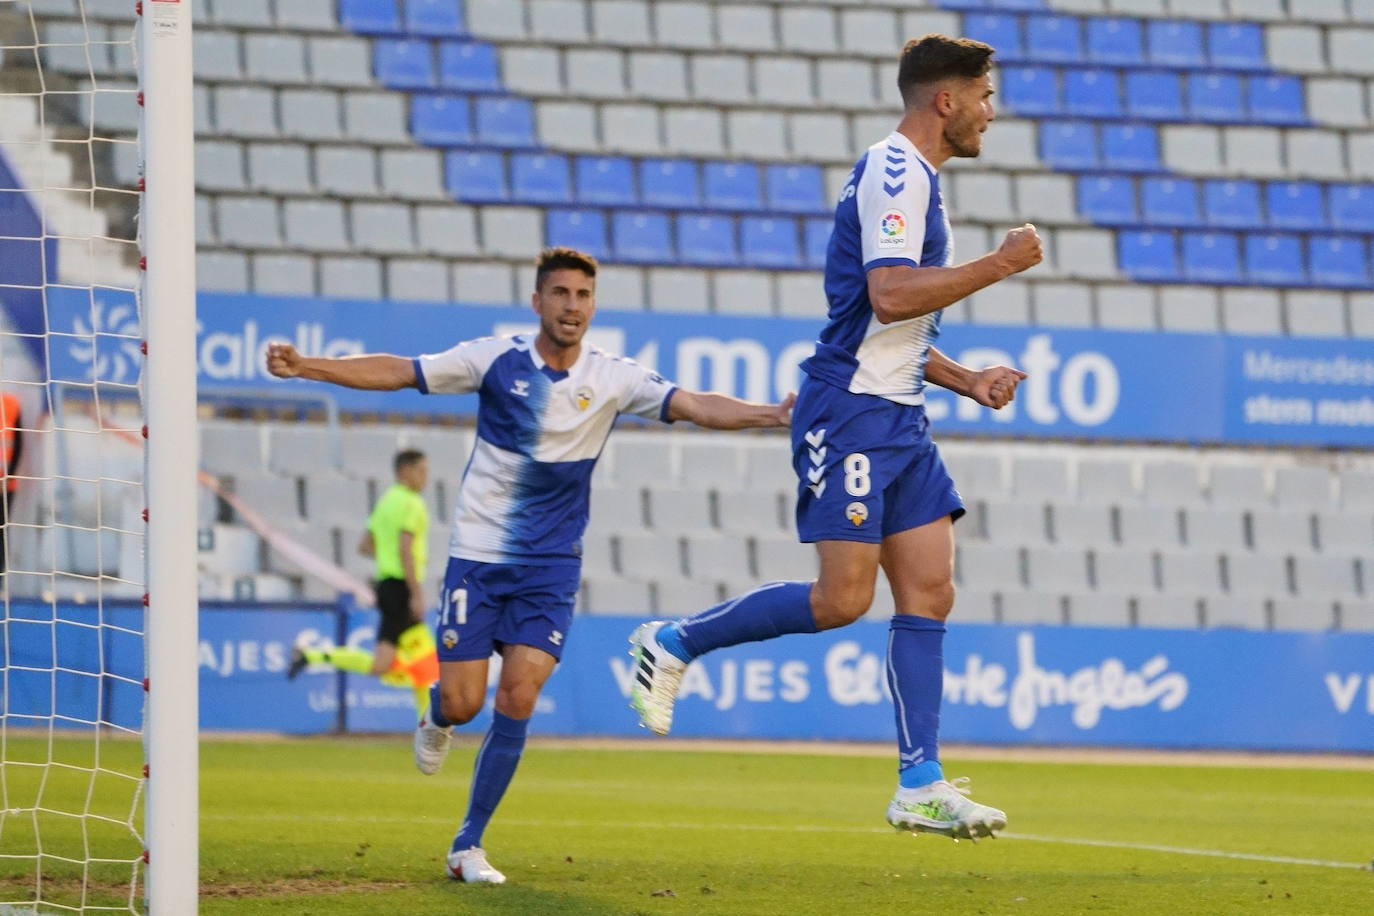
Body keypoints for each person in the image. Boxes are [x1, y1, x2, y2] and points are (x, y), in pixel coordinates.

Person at [266, 247, 794, 884]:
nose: (573, 307)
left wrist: (772, 414)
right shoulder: (493, 360)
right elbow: (402, 372)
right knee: (463, 703)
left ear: (593, 306)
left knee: (519, 693)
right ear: (538, 301)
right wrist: (309, 368)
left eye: (584, 296)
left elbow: (694, 405)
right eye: (562, 294)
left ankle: (468, 844)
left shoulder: (613, 377)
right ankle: (437, 716)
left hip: (550, 567)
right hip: (479, 560)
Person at [627, 34, 1042, 842]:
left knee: (930, 589)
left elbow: (896, 325)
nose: (994, 112)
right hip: (850, 410)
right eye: (985, 96)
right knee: (842, 600)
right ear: (945, 100)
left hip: (898, 413)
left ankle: (919, 782)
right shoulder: (895, 170)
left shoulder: (920, 180)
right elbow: (888, 296)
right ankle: (674, 640)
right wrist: (999, 264)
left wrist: (967, 380)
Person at [288, 450, 437, 719]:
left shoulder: (386, 502)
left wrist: (387, 558)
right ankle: (430, 732)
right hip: (402, 587)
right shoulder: (413, 504)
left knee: (421, 666)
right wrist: (416, 593)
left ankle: (428, 730)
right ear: (404, 471)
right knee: (404, 665)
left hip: (386, 585)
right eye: (421, 471)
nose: (425, 477)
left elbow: (365, 546)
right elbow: (406, 549)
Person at [1, 392, 23, 576]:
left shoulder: (10, 403)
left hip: (5, 485)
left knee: (2, 531)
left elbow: (18, 443)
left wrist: (8, 477)